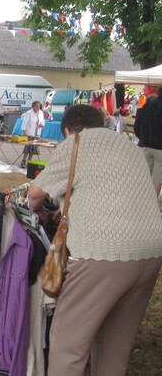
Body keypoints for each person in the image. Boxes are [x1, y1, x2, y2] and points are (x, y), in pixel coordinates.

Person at [27, 104, 162, 376]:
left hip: (101, 254)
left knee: (68, 343)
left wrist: (40, 211)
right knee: (114, 345)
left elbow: (35, 194)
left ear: (67, 130)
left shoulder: (75, 143)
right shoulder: (127, 145)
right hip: (150, 251)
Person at [134, 86, 162, 196]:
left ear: (158, 91)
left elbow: (137, 125)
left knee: (147, 177)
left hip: (147, 146)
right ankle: (153, 205)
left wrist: (143, 138)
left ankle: (144, 201)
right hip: (160, 149)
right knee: (157, 179)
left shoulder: (147, 105)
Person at [20, 100, 45, 169]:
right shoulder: (29, 113)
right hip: (30, 133)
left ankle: (29, 161)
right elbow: (24, 123)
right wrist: (24, 133)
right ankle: (23, 161)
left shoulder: (41, 113)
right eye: (36, 106)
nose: (38, 108)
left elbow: (43, 121)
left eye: (39, 106)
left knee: (33, 149)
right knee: (28, 148)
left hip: (37, 134)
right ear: (33, 106)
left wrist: (42, 125)